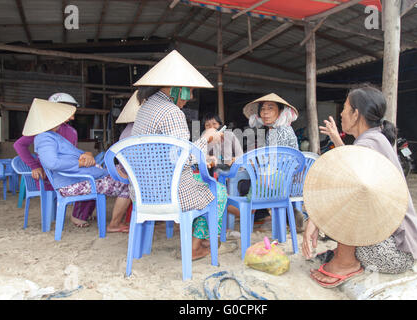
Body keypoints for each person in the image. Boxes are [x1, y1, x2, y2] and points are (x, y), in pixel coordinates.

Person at [302, 85, 417, 288]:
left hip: (396, 253)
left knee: (349, 201)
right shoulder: (373, 139)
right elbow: (351, 166)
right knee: (337, 213)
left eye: (345, 107)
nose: (341, 113)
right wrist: (337, 139)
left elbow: (348, 186)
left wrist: (314, 220)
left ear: (356, 114)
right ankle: (344, 255)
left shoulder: (369, 143)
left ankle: (346, 263)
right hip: (400, 246)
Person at [131, 50, 228, 260]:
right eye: (190, 89)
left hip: (143, 191)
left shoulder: (145, 108)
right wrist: (207, 139)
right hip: (168, 192)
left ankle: (196, 242)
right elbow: (182, 158)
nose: (191, 96)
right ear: (177, 87)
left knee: (199, 183)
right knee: (217, 191)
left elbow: (168, 154)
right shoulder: (172, 112)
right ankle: (195, 247)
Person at [24, 98, 131, 233]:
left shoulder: (54, 136)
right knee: (128, 185)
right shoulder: (45, 138)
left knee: (123, 172)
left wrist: (87, 154)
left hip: (80, 179)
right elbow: (52, 163)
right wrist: (80, 162)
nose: (69, 118)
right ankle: (114, 224)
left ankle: (116, 219)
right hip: (72, 184)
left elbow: (80, 152)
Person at [13, 93, 96, 228]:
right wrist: (34, 166)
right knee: (92, 181)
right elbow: (19, 145)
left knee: (94, 177)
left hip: (67, 171)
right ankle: (79, 214)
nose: (72, 116)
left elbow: (73, 154)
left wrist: (87, 154)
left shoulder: (71, 131)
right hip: (48, 176)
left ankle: (81, 213)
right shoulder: (41, 129)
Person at [242, 93, 302, 225]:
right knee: (252, 180)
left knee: (244, 185)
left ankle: (250, 212)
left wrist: (254, 164)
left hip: (284, 180)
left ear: (280, 112)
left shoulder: (280, 131)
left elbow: (273, 163)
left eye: (270, 108)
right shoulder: (277, 130)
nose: (265, 112)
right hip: (286, 178)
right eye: (263, 109)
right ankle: (287, 214)